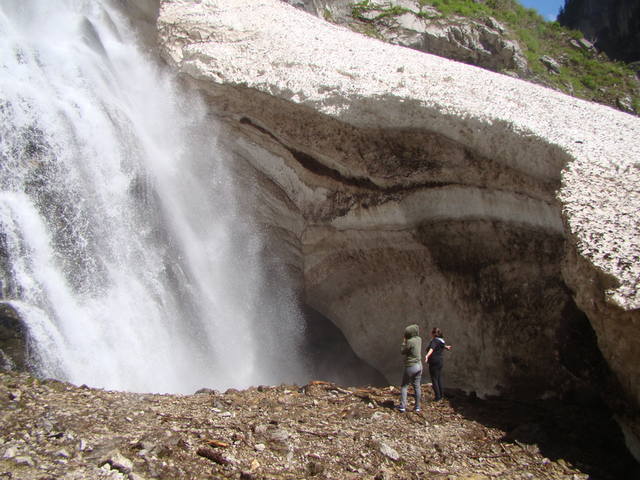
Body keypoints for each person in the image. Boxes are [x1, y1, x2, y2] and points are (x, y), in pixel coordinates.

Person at [398, 324, 422, 413]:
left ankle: (402, 406)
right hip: (419, 365)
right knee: (417, 386)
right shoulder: (419, 339)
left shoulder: (409, 342)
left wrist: (404, 341)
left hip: (411, 366)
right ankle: (417, 407)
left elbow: (402, 351)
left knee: (404, 386)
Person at [424, 327, 452, 402]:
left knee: (434, 379)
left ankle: (437, 397)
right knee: (439, 378)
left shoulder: (434, 341)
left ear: (434, 334)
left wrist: (427, 356)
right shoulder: (441, 341)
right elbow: (442, 346)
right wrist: (447, 347)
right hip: (440, 361)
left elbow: (431, 349)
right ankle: (441, 395)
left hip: (434, 361)